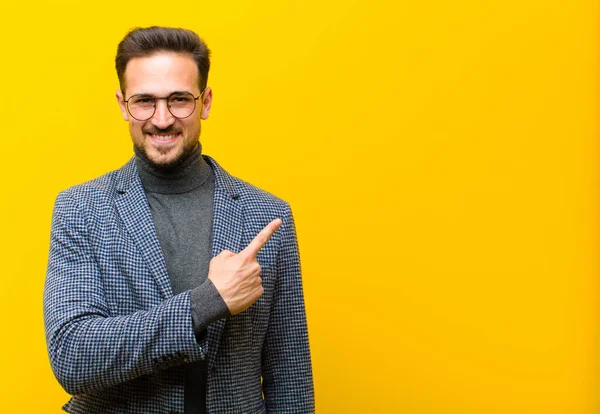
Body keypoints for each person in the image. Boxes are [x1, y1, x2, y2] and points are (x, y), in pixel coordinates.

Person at [43, 26, 314, 414]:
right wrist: (207, 301)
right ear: (123, 106)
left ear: (205, 102)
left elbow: (290, 379)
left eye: (179, 100)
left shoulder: (267, 215)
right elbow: (73, 356)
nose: (163, 118)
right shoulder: (81, 210)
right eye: (144, 101)